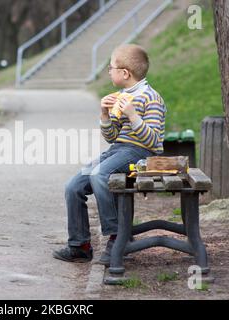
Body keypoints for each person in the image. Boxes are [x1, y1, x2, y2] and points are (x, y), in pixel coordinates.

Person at [53, 44, 166, 265]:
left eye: (111, 67)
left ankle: (119, 239)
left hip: (140, 153)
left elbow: (153, 141)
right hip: (117, 150)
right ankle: (80, 246)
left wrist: (133, 115)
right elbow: (112, 136)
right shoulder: (121, 96)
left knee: (99, 175)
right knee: (73, 186)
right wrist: (104, 115)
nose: (109, 71)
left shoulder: (151, 98)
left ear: (125, 73)